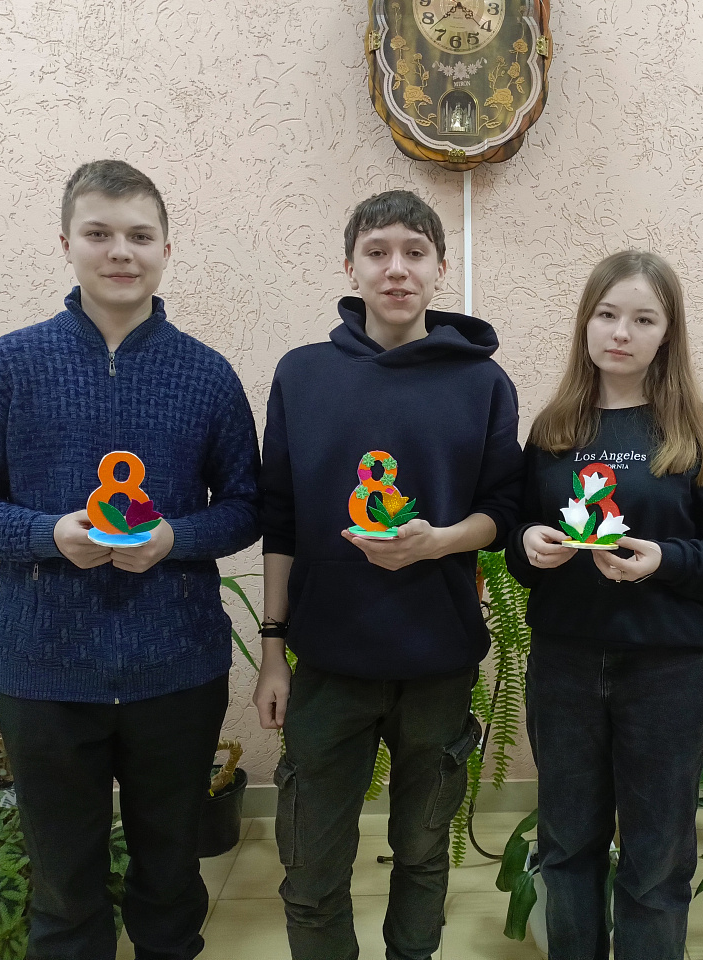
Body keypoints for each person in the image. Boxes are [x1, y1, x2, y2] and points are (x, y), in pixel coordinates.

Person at [0, 159, 261, 960]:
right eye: (100, 233)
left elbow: (250, 506)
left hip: (177, 669)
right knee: (64, 888)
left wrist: (176, 539)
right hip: (46, 671)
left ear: (166, 249)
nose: (121, 252)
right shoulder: (8, 365)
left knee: (170, 880)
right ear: (66, 243)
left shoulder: (207, 373)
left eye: (140, 236)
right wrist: (50, 535)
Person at [253, 189, 523, 960]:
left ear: (440, 269)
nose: (396, 269)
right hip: (327, 663)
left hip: (437, 663)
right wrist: (272, 651)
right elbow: (280, 520)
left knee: (423, 855)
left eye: (414, 252)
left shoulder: (483, 383)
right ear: (351, 268)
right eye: (377, 252)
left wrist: (438, 543)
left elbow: (504, 509)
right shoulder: (303, 376)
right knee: (310, 870)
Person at [505, 250, 703, 960]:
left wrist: (666, 560)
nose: (621, 332)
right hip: (563, 669)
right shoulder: (552, 430)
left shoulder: (698, 432)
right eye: (607, 314)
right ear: (585, 324)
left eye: (643, 319)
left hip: (664, 675)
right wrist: (528, 543)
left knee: (656, 861)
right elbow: (518, 544)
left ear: (667, 333)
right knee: (567, 849)